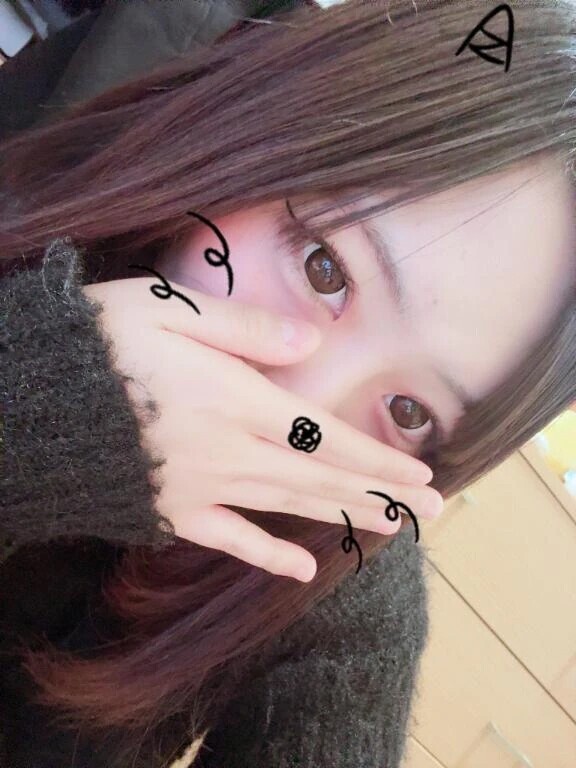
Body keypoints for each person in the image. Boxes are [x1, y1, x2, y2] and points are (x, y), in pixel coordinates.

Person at [1, 0, 575, 766]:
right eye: (324, 267)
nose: (301, 411)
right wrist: (45, 405)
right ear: (266, 131)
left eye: (408, 410)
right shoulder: (40, 187)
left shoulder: (330, 573)